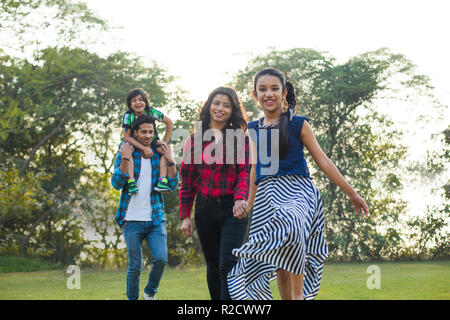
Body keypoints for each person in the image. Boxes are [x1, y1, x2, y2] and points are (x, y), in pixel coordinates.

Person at [227, 68, 369, 300]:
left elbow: (323, 160)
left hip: (298, 190)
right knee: (280, 253)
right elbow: (254, 168)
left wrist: (352, 194)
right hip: (266, 195)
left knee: (290, 223)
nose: (268, 94)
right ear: (255, 95)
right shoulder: (252, 129)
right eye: (262, 89)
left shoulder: (298, 124)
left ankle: (299, 295)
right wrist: (248, 202)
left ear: (284, 93)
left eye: (274, 88)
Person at [179, 87, 251, 300]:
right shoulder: (193, 140)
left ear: (233, 111)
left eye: (226, 105)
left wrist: (240, 198)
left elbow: (244, 173)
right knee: (212, 266)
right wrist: (185, 216)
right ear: (209, 105)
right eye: (216, 103)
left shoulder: (240, 138)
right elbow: (188, 180)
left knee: (228, 263)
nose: (220, 108)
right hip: (205, 209)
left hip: (233, 209)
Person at [111, 115, 179, 300]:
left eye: (151, 131)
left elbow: (173, 184)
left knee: (161, 259)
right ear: (134, 133)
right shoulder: (126, 151)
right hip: (131, 219)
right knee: (135, 266)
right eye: (143, 132)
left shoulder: (159, 153)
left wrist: (170, 159)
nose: (148, 135)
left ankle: (150, 292)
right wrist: (125, 159)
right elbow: (116, 183)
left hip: (156, 219)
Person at [122, 88, 174, 194]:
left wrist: (164, 141)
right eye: (134, 100)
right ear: (130, 104)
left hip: (151, 140)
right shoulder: (128, 116)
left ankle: (162, 180)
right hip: (133, 141)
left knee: (165, 151)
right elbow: (127, 137)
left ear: (145, 102)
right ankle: (131, 181)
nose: (138, 103)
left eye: (140, 99)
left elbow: (170, 123)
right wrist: (144, 148)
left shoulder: (151, 112)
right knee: (128, 151)